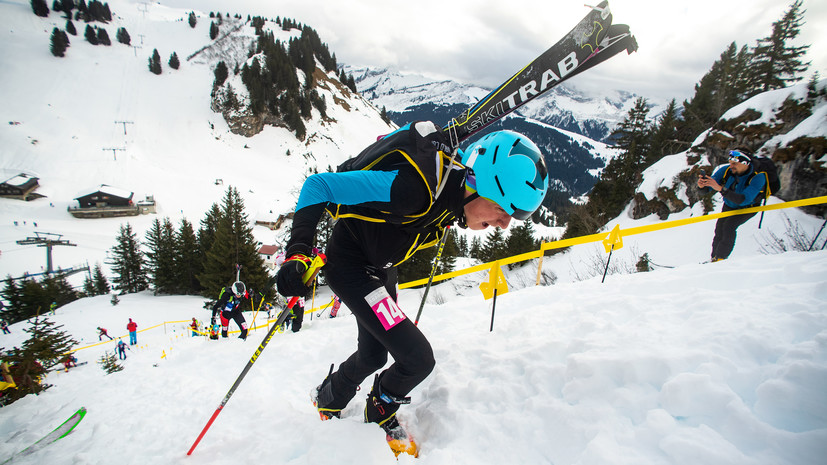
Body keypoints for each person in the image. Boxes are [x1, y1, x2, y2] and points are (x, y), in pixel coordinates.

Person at [276, 122, 549, 456]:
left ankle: (329, 396)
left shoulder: (454, 188)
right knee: (418, 358)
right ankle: (380, 411)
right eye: (504, 210)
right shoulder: (412, 191)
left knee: (374, 354)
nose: (505, 224)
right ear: (480, 185)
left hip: (379, 271)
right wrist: (299, 252)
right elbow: (318, 186)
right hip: (351, 267)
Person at [697, 148, 767, 262]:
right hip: (729, 204)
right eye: (730, 163)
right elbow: (706, 189)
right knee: (719, 229)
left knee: (729, 226)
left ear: (745, 163)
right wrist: (702, 186)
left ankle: (720, 259)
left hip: (747, 207)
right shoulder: (726, 170)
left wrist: (720, 188)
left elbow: (743, 199)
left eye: (735, 163)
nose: (731, 166)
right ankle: (714, 258)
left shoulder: (758, 177)